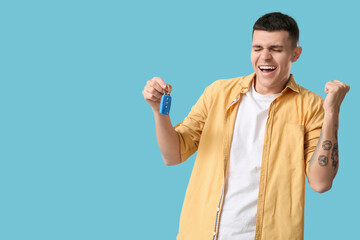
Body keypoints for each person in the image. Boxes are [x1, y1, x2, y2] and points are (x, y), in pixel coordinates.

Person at [142, 12, 350, 240]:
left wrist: (332, 113)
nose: (265, 57)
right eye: (257, 48)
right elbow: (173, 155)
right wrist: (158, 111)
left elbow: (320, 183)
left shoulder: (310, 106)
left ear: (295, 54)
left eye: (276, 49)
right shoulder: (218, 93)